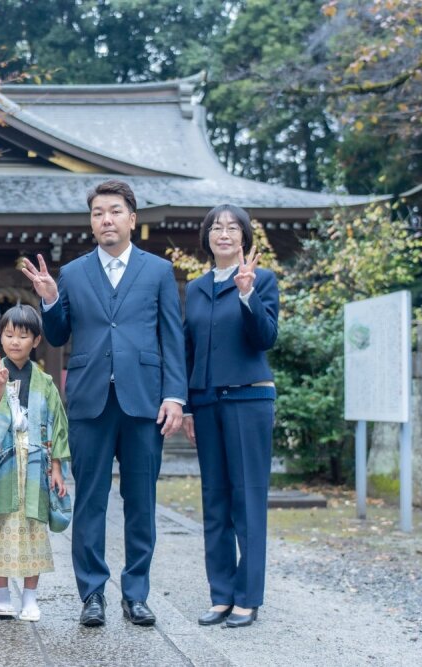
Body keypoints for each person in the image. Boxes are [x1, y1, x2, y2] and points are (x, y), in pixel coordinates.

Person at [21, 179, 187, 627]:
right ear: (91, 222)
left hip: (144, 402)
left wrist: (175, 396)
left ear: (132, 219)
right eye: (98, 213)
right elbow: (58, 335)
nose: (106, 219)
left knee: (141, 501)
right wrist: (50, 299)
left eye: (114, 211)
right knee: (89, 500)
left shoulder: (158, 271)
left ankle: (136, 594)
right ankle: (92, 593)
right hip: (90, 401)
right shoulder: (73, 274)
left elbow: (172, 337)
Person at [182, 205, 279, 629]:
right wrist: (187, 404)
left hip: (248, 399)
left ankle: (247, 597)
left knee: (247, 499)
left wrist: (246, 294)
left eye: (232, 227)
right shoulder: (195, 288)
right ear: (207, 237)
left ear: (244, 237)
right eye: (216, 227)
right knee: (215, 501)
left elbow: (266, 338)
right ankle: (221, 594)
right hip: (206, 403)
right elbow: (187, 349)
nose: (224, 233)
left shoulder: (262, 279)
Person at [0, 305, 70, 622]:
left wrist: (57, 467)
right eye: (9, 334)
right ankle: (2, 597)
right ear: (1, 337)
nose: (15, 341)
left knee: (33, 528)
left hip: (35, 465)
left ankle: (30, 598)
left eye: (23, 336)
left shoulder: (44, 381)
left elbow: (58, 424)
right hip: (1, 465)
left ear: (36, 341)